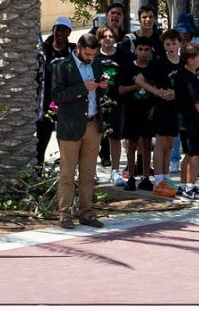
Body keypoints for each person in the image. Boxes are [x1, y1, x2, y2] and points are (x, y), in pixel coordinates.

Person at [53, 33, 107, 228]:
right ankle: (64, 214)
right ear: (78, 47)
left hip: (93, 124)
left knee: (88, 173)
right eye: (87, 53)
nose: (90, 57)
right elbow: (57, 95)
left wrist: (102, 86)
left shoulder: (96, 63)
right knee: (67, 173)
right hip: (71, 126)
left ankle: (86, 212)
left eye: (93, 53)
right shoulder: (63, 65)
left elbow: (101, 91)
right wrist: (82, 87)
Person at [146, 28, 183, 195]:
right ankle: (158, 179)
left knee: (170, 143)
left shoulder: (184, 63)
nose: (171, 46)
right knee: (160, 143)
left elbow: (189, 86)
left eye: (174, 43)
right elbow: (141, 80)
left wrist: (177, 93)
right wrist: (158, 92)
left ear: (180, 44)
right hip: (162, 107)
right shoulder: (159, 63)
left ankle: (166, 177)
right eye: (167, 44)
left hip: (177, 108)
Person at [174, 42, 199, 200]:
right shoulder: (189, 78)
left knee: (189, 154)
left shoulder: (185, 74)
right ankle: (190, 187)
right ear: (190, 60)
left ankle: (183, 186)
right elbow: (198, 105)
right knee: (196, 154)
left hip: (184, 121)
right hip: (193, 121)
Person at [37, 16, 74, 165]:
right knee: (41, 140)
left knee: (65, 141)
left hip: (66, 102)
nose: (60, 33)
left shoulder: (73, 51)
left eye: (64, 30)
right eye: (58, 29)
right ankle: (38, 172)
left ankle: (67, 174)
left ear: (69, 33)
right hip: (46, 102)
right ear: (53, 30)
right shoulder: (43, 51)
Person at [95, 26, 128, 185]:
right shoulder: (94, 56)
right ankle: (91, 172)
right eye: (104, 36)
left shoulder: (122, 56)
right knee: (94, 138)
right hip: (96, 103)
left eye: (111, 36)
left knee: (115, 138)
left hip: (116, 103)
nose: (108, 39)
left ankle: (115, 172)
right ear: (99, 39)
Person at [122, 37, 156, 191]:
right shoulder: (128, 68)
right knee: (132, 144)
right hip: (131, 110)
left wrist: (154, 107)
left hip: (148, 111)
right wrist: (137, 86)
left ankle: (146, 177)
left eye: (146, 49)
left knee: (147, 144)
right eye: (140, 49)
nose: (143, 53)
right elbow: (121, 89)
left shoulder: (153, 68)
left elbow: (158, 89)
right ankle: (130, 177)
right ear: (135, 50)